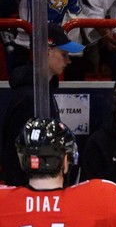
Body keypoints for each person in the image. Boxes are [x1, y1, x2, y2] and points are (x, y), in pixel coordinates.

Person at [1, 22, 82, 186]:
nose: (68, 61)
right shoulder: (28, 98)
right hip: (29, 194)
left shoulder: (44, 90)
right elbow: (14, 157)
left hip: (41, 189)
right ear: (47, 50)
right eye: (64, 54)